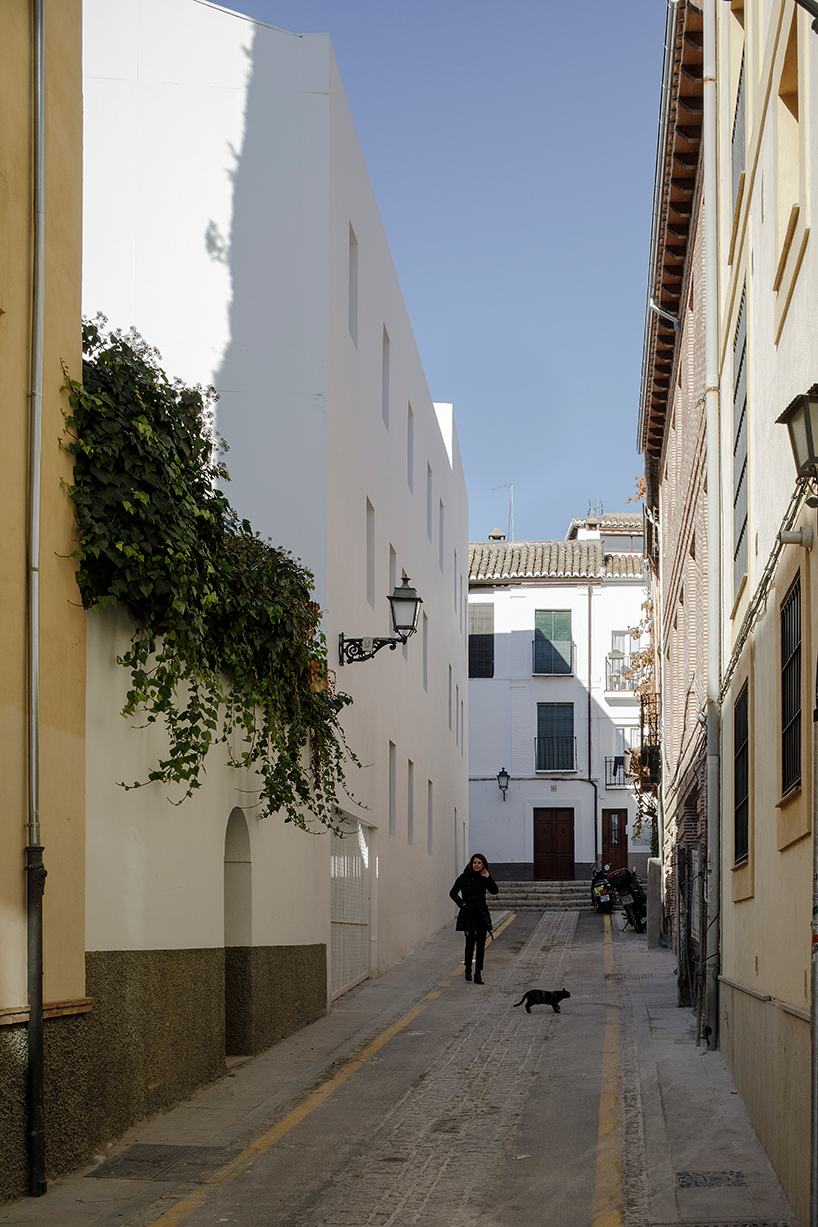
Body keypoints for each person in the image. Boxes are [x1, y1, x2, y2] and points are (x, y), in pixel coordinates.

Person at [449, 854, 498, 983]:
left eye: (479, 863)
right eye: (474, 862)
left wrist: (488, 877)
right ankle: (468, 970)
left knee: (481, 945)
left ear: (483, 865)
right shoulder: (464, 877)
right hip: (468, 915)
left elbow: (494, 891)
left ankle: (478, 973)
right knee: (470, 944)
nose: (476, 864)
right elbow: (453, 892)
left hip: (481, 916)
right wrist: (462, 903)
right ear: (471, 863)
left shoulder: (484, 878)